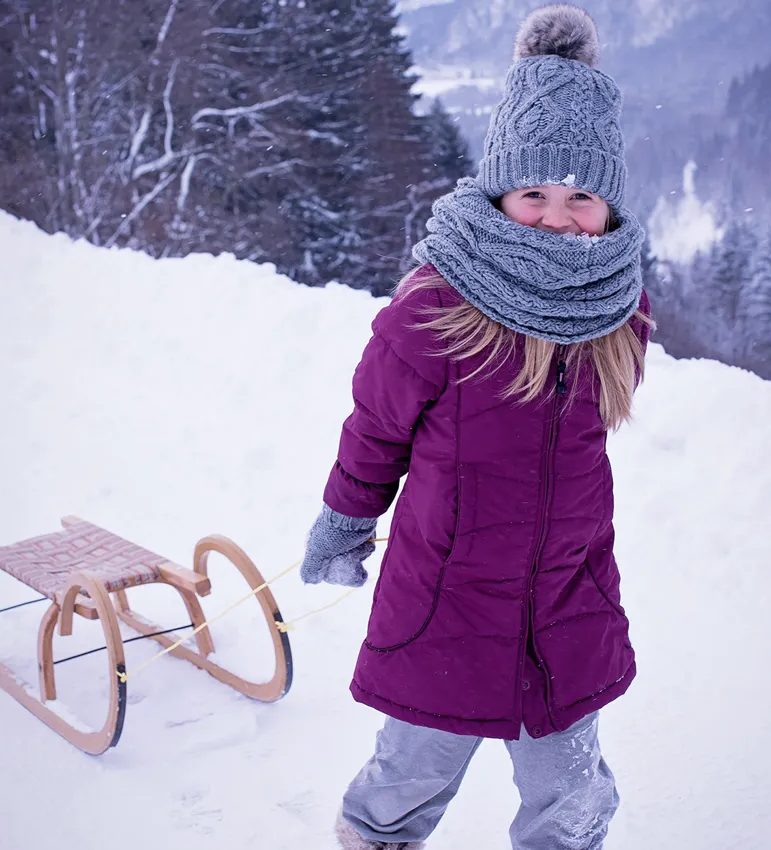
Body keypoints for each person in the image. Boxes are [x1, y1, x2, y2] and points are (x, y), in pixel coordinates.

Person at [299, 6, 655, 849]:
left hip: (566, 600)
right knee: (412, 771)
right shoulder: (437, 304)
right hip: (447, 605)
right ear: (498, 189)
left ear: (608, 204)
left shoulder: (617, 307)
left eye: (580, 197)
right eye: (533, 192)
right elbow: (375, 432)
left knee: (570, 795)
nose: (556, 216)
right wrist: (346, 522)